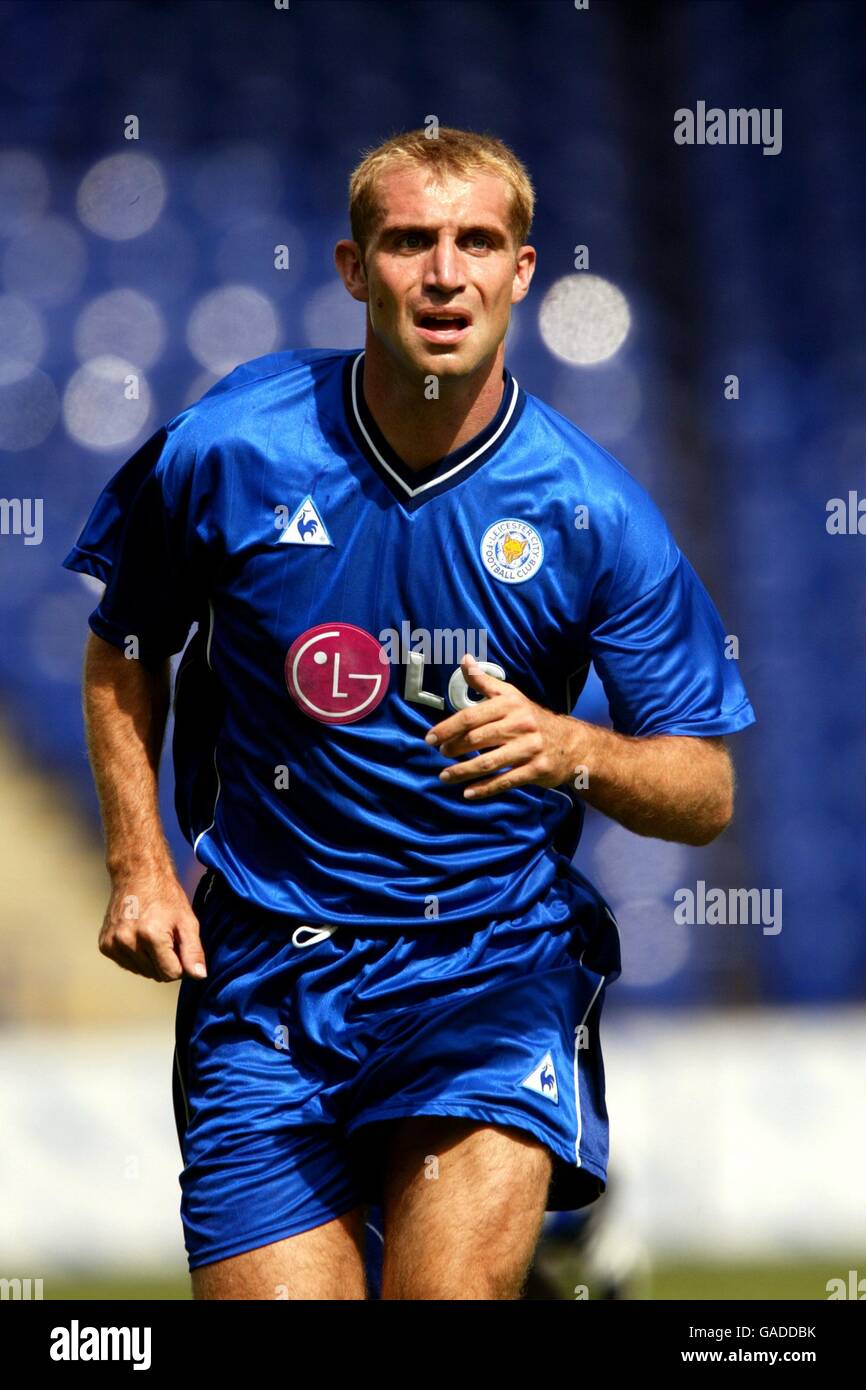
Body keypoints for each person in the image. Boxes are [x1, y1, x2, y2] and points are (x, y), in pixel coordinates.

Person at [63, 126, 755, 1300]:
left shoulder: (591, 510)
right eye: (408, 242)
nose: (444, 273)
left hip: (490, 969)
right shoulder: (231, 449)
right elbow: (126, 647)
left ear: (522, 271)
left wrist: (575, 748)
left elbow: (704, 791)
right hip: (263, 977)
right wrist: (137, 862)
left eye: (477, 242)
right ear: (351, 269)